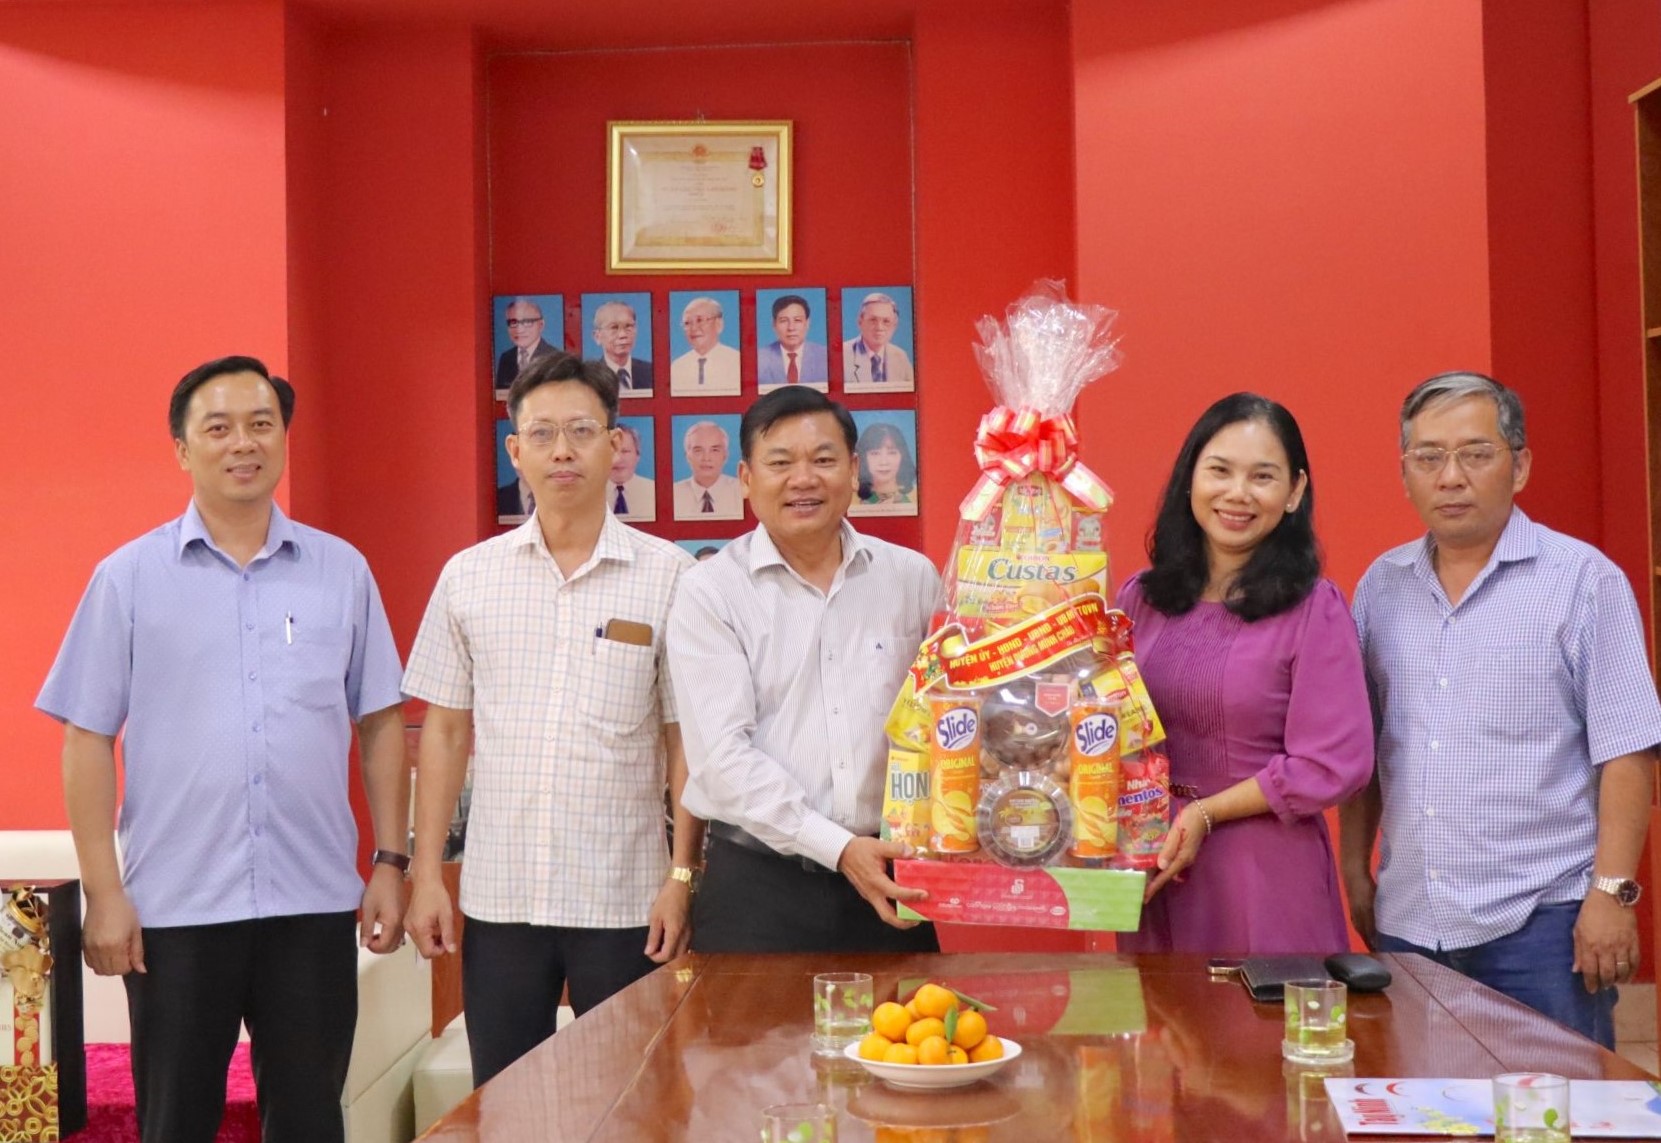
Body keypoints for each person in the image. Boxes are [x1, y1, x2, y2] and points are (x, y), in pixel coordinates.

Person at [36, 355, 409, 1143]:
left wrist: (390, 860)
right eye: (219, 427)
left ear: (283, 438)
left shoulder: (340, 571)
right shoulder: (127, 577)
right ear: (182, 447)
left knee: (310, 1122)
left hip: (311, 901)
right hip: (176, 909)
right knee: (175, 1122)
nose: (244, 442)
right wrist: (105, 891)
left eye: (261, 423)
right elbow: (87, 736)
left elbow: (379, 720)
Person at [402, 351, 704, 1088]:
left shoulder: (670, 575)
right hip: (501, 896)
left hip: (625, 898)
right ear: (516, 450)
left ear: (615, 444)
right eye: (542, 434)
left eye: (581, 431)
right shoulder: (469, 576)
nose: (562, 450)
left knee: (636, 1104)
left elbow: (685, 742)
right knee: (506, 1105)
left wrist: (682, 876)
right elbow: (444, 731)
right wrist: (426, 873)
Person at [1341, 371, 1661, 1049]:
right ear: (1404, 473)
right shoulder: (1380, 587)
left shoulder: (1583, 581)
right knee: (1421, 1102)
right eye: (1428, 457)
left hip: (1543, 926)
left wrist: (1611, 892)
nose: (1450, 477)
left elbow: (1628, 749)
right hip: (1410, 918)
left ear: (1519, 466)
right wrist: (1352, 871)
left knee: (1555, 1102)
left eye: (1475, 454)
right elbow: (1362, 747)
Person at [667, 386, 940, 954]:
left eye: (823, 459)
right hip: (758, 886)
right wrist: (837, 848)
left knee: (908, 1016)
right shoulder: (710, 591)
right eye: (780, 463)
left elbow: (947, 716)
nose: (803, 479)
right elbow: (721, 758)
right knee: (751, 1020)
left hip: (893, 875)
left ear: (854, 470)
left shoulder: (911, 578)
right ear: (746, 479)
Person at [1114, 392, 1373, 955]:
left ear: (1294, 492)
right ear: (1190, 478)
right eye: (1220, 470)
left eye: (1262, 476)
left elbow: (1332, 763)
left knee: (1259, 1013)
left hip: (1262, 875)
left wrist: (1206, 814)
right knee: (1155, 1012)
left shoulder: (1314, 609)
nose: (1238, 493)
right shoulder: (1139, 599)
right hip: (1152, 863)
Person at [671, 420, 743, 520]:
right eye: (698, 450)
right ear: (687, 456)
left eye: (714, 450)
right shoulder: (674, 494)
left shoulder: (741, 490)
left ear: (725, 456)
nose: (706, 458)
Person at [669, 297, 741, 396]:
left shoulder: (737, 361)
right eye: (687, 323)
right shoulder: (677, 367)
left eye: (700, 320)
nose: (693, 328)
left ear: (718, 324)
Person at [843, 292, 915, 391]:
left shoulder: (901, 357)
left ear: (894, 325)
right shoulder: (842, 355)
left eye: (886, 321)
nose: (879, 328)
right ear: (860, 322)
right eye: (873, 320)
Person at [756, 294, 828, 390]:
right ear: (774, 324)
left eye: (797, 320)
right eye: (784, 321)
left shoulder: (825, 356)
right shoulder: (759, 358)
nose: (791, 328)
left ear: (807, 323)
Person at [494, 297, 560, 393]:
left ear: (541, 325)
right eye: (513, 322)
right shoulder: (506, 358)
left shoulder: (555, 358)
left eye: (527, 322)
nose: (520, 330)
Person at [589, 299, 653, 395]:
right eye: (614, 328)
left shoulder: (651, 372)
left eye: (628, 326)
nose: (623, 335)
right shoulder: (590, 377)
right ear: (597, 337)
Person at [853, 421, 918, 509]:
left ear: (903, 456)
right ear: (863, 457)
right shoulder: (850, 499)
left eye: (892, 453)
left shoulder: (916, 496)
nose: (884, 462)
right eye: (875, 453)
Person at [609, 423, 656, 522]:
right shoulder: (588, 494)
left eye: (625, 451)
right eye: (611, 451)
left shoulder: (653, 491)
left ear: (637, 455)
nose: (618, 459)